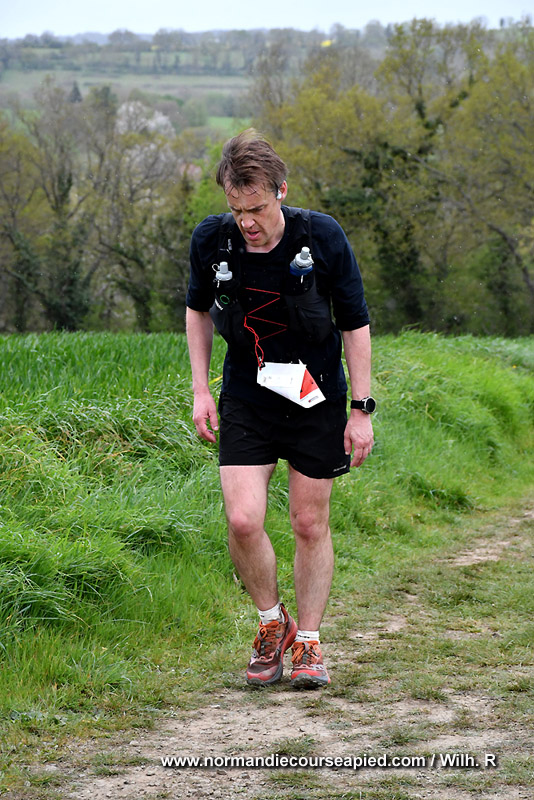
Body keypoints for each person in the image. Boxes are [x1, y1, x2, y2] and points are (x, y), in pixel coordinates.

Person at [186, 129, 374, 689]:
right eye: (237, 209)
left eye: (258, 209)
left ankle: (309, 642)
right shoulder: (212, 241)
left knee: (308, 522)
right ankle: (273, 623)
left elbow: (355, 324)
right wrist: (200, 390)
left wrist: (361, 409)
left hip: (316, 396)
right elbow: (197, 311)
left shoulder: (323, 237)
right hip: (248, 394)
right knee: (243, 519)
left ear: (281, 192)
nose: (247, 222)